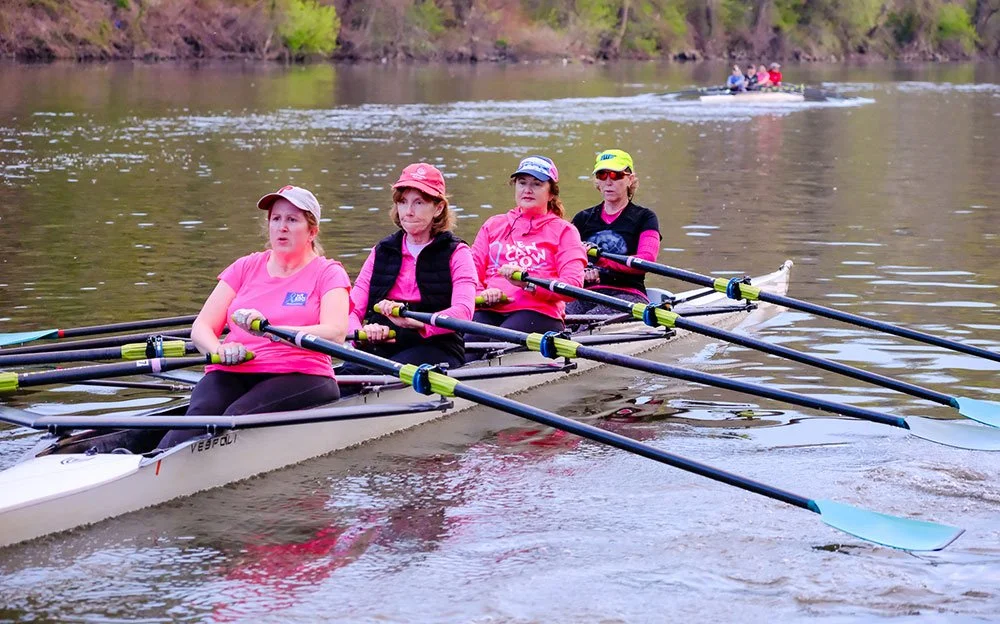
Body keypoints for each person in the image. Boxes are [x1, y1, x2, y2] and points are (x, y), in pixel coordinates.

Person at [159, 185, 350, 448]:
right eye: (276, 219)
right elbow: (201, 327)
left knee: (233, 419)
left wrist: (272, 331)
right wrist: (218, 350)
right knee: (197, 419)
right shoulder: (245, 267)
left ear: (312, 231)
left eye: (292, 220)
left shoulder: (328, 273)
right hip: (234, 369)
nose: (282, 227)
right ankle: (150, 461)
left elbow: (336, 333)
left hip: (301, 374)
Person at [346, 163, 476, 371]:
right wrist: (361, 335)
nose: (408, 212)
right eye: (403, 202)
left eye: (419, 203)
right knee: (348, 374)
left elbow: (463, 312)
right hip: (383, 343)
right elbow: (351, 310)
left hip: (436, 346)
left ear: (438, 208)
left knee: (375, 371)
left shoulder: (457, 252)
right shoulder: (382, 251)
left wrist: (420, 324)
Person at [469, 155, 586, 341]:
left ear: (552, 193)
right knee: (466, 345)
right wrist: (481, 293)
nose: (527, 190)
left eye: (537, 184)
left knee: (498, 344)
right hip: (488, 308)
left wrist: (528, 283)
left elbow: (572, 287)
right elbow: (470, 274)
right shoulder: (493, 225)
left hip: (538, 313)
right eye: (522, 183)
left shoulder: (565, 231)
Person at [567, 149, 661, 316]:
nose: (608, 182)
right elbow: (565, 259)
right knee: (559, 317)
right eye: (602, 175)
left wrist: (601, 261)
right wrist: (581, 272)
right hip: (585, 293)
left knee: (588, 321)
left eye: (616, 175)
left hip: (628, 295)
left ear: (630, 179)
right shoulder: (582, 218)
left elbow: (647, 260)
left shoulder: (645, 217)